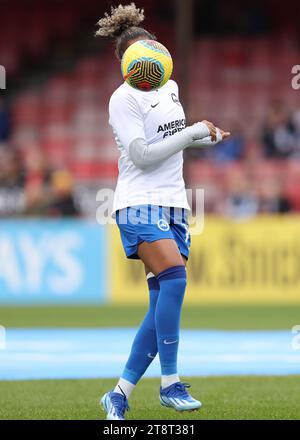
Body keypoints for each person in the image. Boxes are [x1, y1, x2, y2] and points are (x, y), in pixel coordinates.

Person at [95, 3, 230, 420]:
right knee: (175, 278)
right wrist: (190, 132)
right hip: (137, 201)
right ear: (127, 62)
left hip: (174, 202)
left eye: (154, 49)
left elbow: (174, 141)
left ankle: (118, 393)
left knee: (161, 302)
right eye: (141, 54)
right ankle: (170, 383)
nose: (151, 57)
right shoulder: (123, 99)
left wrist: (204, 137)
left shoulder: (169, 88)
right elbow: (143, 155)